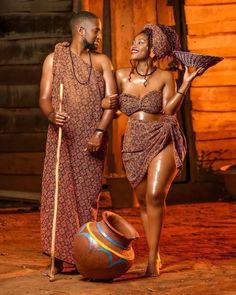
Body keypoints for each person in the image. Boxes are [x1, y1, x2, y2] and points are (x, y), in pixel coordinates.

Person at [113, 24, 205, 277]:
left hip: (163, 135)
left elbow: (169, 111)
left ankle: (153, 259)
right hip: (133, 140)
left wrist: (185, 82)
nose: (133, 45)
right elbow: (111, 105)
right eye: (133, 41)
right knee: (143, 201)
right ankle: (155, 253)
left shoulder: (165, 77)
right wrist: (105, 104)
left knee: (154, 196)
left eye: (140, 43)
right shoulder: (120, 75)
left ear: (153, 51)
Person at [39, 11, 117, 274]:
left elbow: (112, 101)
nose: (98, 35)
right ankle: (57, 257)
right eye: (96, 30)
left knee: (87, 198)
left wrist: (99, 131)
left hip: (92, 138)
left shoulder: (103, 62)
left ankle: (85, 254)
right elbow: (44, 97)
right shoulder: (54, 60)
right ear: (81, 31)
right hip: (62, 137)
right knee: (58, 196)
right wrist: (51, 114)